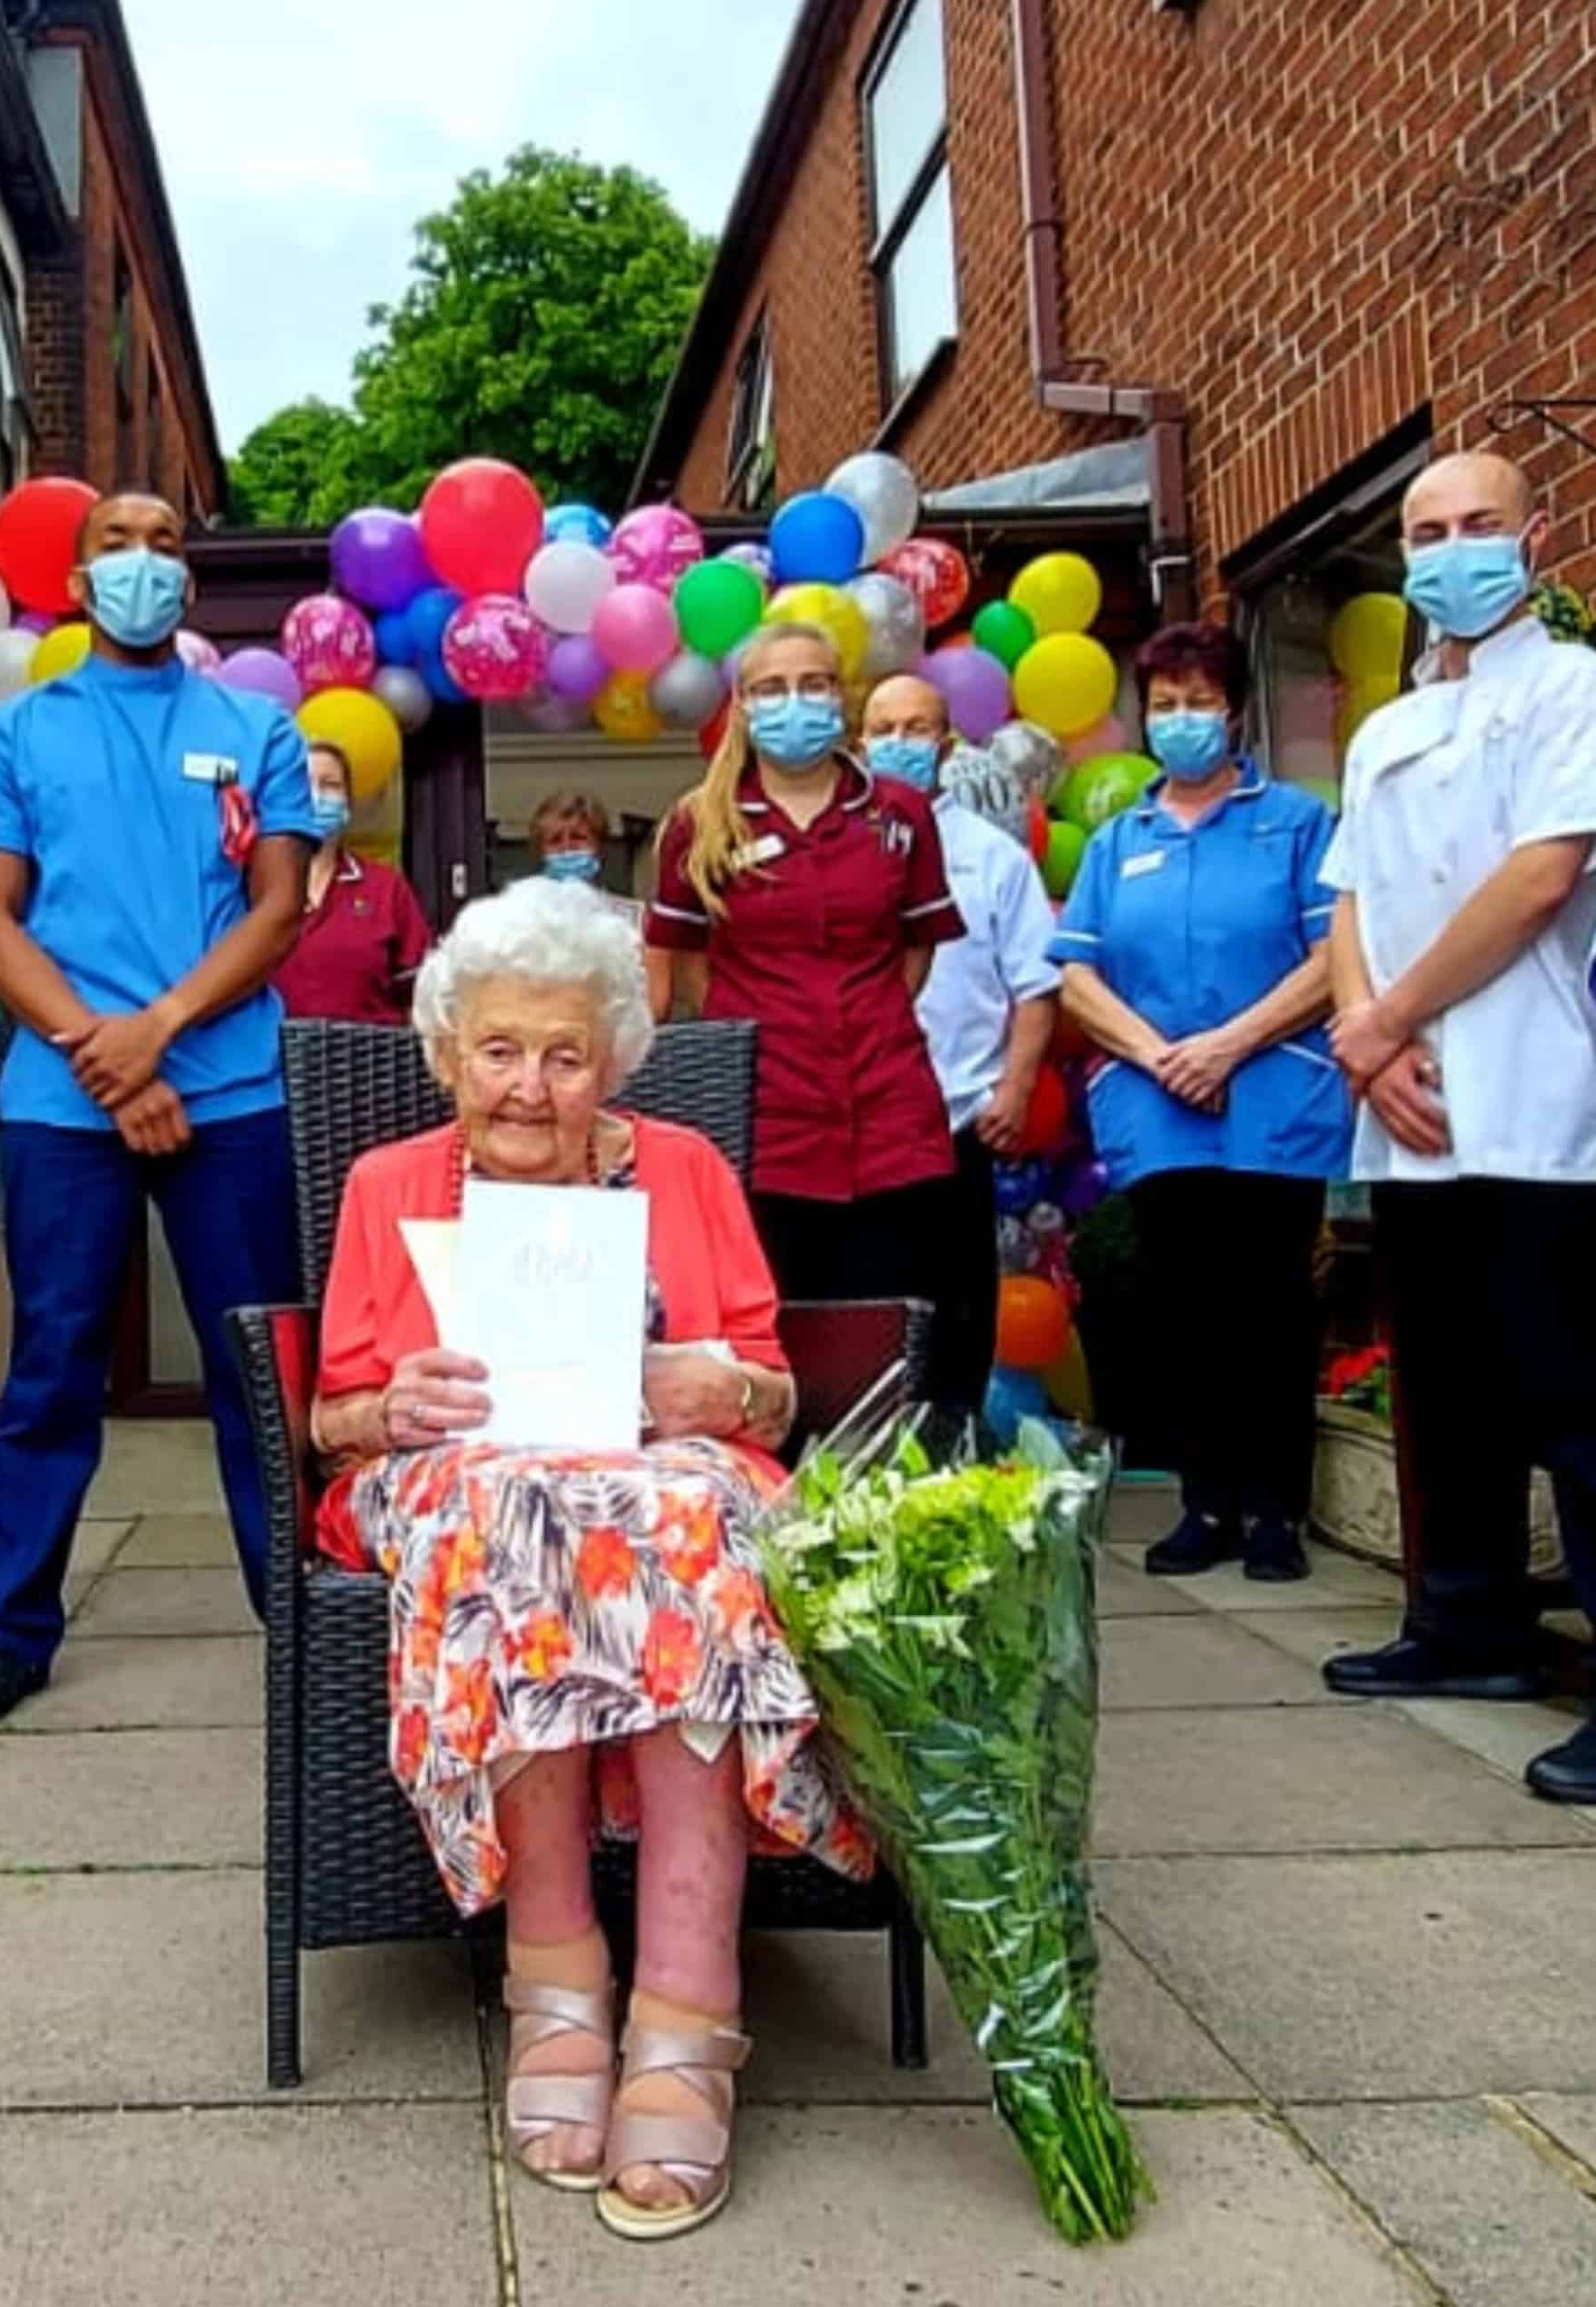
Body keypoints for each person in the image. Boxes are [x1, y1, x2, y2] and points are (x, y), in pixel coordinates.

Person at [311, 876, 869, 2243]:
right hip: (459, 1492)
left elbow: (780, 1393)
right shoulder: (392, 1184)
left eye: (565, 1055)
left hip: (662, 1483)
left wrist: (721, 1388)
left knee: (677, 1521)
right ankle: (555, 1975)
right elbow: (329, 1423)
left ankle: (689, 2011)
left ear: (610, 1059)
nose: (527, 1086)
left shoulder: (682, 1167)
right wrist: (392, 1409)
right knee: (514, 1516)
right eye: (498, 1051)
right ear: (446, 1054)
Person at [0, 490, 316, 1722]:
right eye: (116, 545)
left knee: (260, 1367)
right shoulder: (14, 734)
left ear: (188, 588)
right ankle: (7, 1625)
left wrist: (156, 1035)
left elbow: (277, 909)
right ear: (77, 581)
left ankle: (301, 1613)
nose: (142, 562)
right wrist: (107, 1055)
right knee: (51, 1362)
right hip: (65, 1097)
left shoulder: (258, 728)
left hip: (229, 1091)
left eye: (163, 547)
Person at [1319, 451, 1596, 1802]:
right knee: (1448, 1389)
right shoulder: (1386, 728)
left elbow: (1542, 874)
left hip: (1535, 1101)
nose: (1452, 551)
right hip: (1409, 1113)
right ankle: (1467, 1623)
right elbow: (1352, 904)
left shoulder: (1576, 691)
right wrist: (1363, 1035)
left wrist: (1390, 1024)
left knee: (1580, 1401)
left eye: (1478, 526)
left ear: (1531, 536)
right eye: (1426, 532)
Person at [1050, 621, 1351, 1583]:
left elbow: (1331, 960)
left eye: (1200, 701)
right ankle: (1203, 1501)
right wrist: (1157, 1054)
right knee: (1180, 1307)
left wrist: (1226, 1045)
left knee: (1266, 1307)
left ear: (1235, 711)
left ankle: (1274, 1512)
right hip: (1157, 1105)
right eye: (1165, 703)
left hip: (1269, 1098)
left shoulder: (1296, 822)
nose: (1182, 720)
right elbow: (1076, 977)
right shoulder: (1115, 839)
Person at [645, 622, 966, 1313]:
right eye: (772, 688)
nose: (795, 702)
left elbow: (917, 947)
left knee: (894, 1323)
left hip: (890, 1114)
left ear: (841, 699)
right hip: (761, 1120)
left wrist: (864, 1014)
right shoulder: (698, 825)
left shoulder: (899, 813)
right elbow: (685, 967)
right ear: (743, 706)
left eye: (813, 684)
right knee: (771, 1324)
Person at [862, 672, 1060, 1419]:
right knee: (872, 1301)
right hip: (860, 1122)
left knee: (959, 1309)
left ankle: (952, 1452)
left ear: (946, 745)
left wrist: (1013, 1090)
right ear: (860, 741)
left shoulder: (992, 856)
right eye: (884, 729)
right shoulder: (845, 845)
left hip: (956, 1116)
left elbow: (1036, 985)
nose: (899, 744)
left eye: (917, 730)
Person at [268, 738, 432, 1025]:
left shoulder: (385, 888)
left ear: (349, 801)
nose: (317, 796)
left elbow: (420, 996)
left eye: (330, 785)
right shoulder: (247, 888)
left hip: (368, 1062)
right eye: (303, 785)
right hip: (268, 1063)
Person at [528, 790, 612, 884]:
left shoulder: (615, 899)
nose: (567, 847)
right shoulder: (519, 898)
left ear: (601, 847)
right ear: (541, 853)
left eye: (578, 837)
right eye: (555, 840)